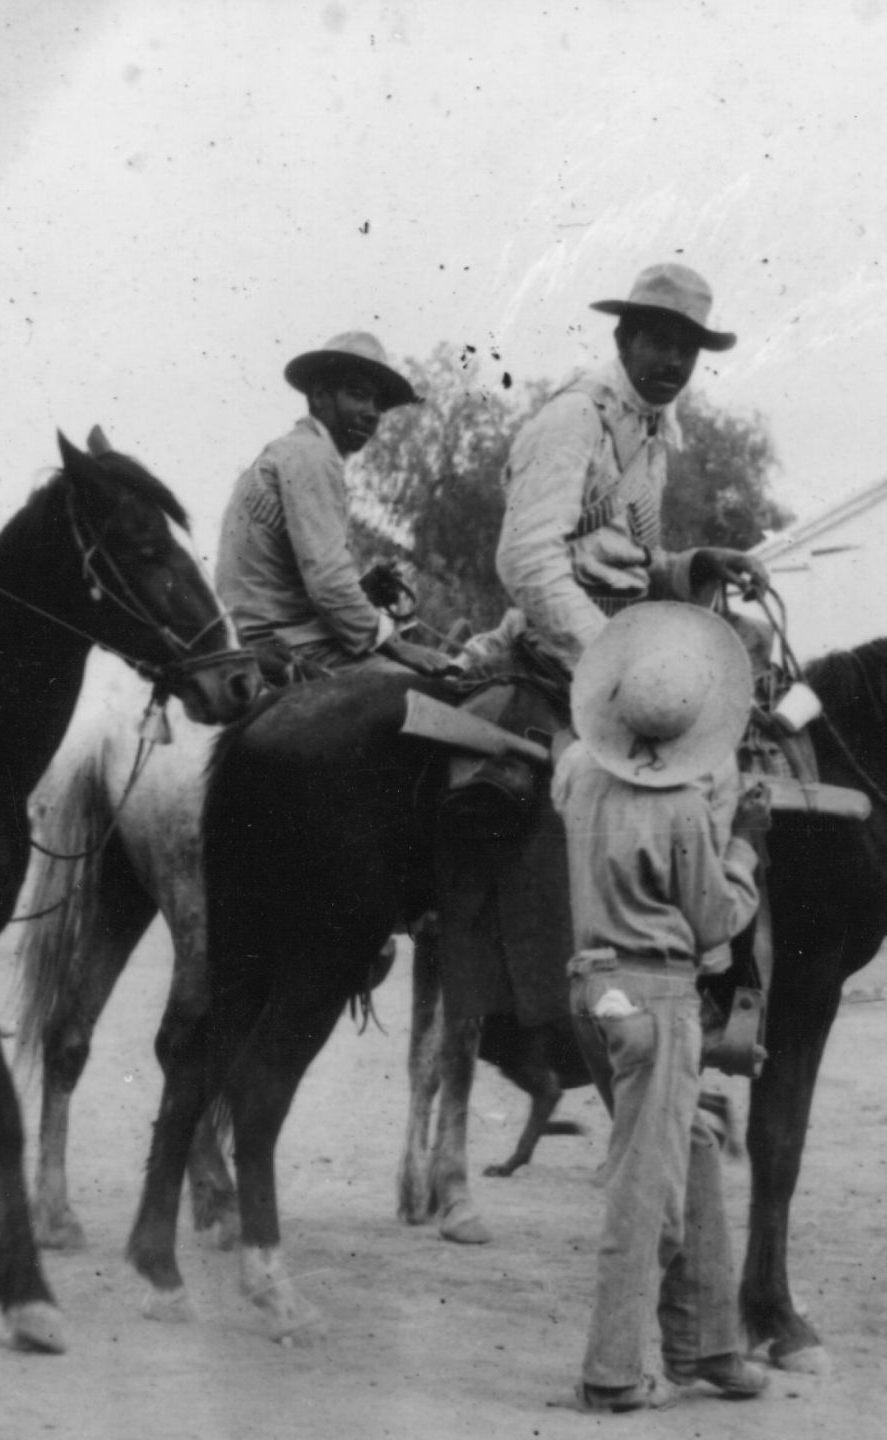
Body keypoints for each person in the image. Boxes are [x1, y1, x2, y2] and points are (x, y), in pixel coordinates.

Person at [556, 602, 773, 1413]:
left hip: (594, 989)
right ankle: (611, 1372)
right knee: (646, 1191)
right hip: (656, 1000)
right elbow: (715, 919)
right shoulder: (686, 807)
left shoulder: (577, 770)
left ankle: (707, 1343)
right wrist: (746, 843)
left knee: (695, 1148)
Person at [486, 261, 773, 682]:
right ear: (624, 340)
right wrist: (612, 659)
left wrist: (696, 565)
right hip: (563, 644)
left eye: (688, 350)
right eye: (660, 342)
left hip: (627, 633)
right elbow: (524, 558)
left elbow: (622, 561)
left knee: (753, 653)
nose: (675, 362)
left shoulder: (648, 426)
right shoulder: (575, 417)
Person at [215, 331, 420, 683]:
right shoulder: (313, 456)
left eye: (378, 405)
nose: (371, 413)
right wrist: (397, 645)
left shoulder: (288, 451)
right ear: (322, 396)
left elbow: (296, 577)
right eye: (358, 396)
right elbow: (327, 582)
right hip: (289, 648)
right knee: (432, 698)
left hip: (256, 637)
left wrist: (362, 588)